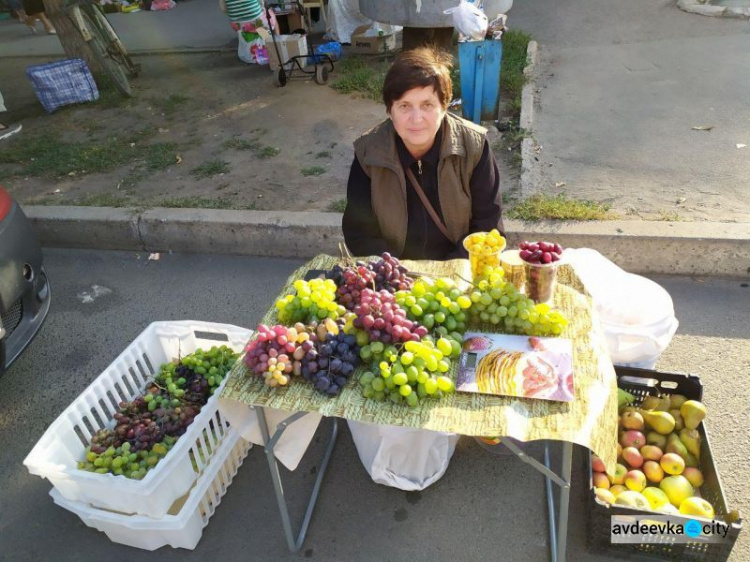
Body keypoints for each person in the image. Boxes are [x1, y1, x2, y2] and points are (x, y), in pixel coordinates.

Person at [343, 46, 503, 261]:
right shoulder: (368, 153)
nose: (416, 119)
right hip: (397, 277)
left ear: (445, 107)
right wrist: (395, 271)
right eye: (404, 106)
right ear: (390, 111)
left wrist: (453, 268)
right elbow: (359, 232)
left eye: (427, 105)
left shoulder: (473, 146)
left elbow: (488, 225)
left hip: (458, 272)